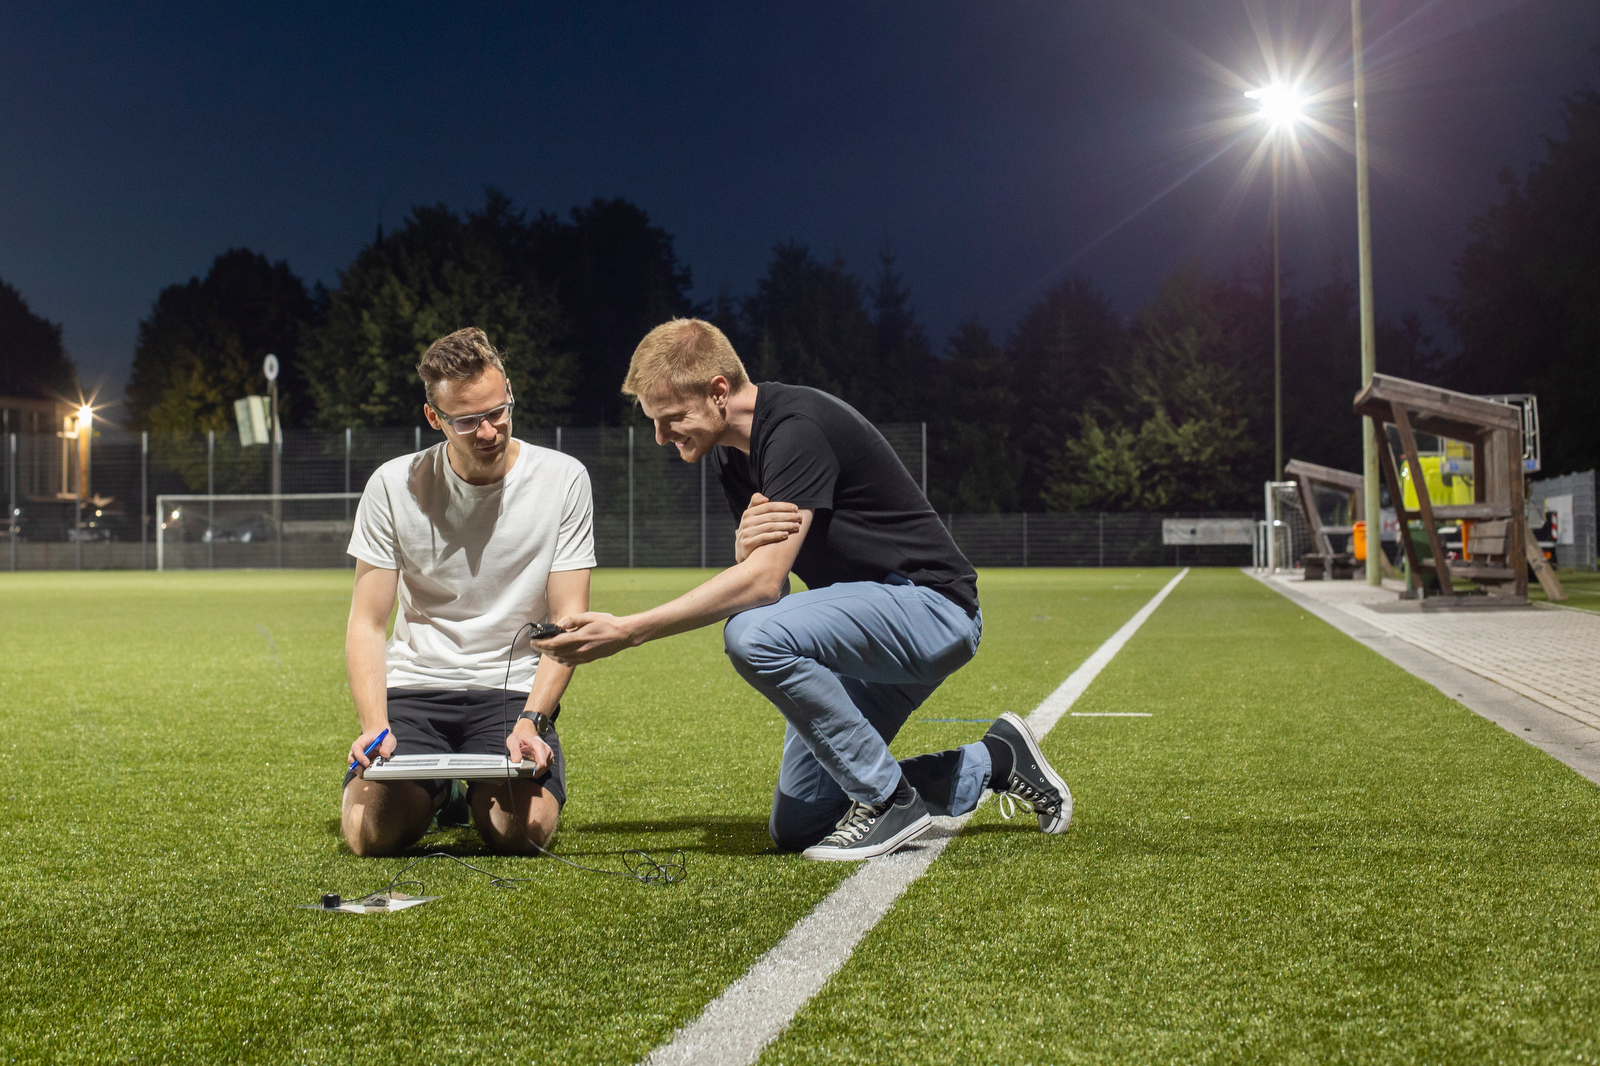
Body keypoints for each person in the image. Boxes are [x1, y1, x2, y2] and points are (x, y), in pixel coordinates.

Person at [537, 318, 1069, 861]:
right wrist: (746, 552)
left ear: (718, 391)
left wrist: (629, 630)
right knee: (802, 825)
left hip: (932, 610)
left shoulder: (795, 428)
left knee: (750, 635)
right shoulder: (729, 453)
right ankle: (995, 760)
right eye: (654, 421)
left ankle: (889, 802)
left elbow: (764, 584)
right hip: (863, 628)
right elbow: (772, 582)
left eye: (671, 418)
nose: (660, 436)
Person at [340, 327, 596, 858]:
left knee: (520, 832)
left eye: (499, 411)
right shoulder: (393, 484)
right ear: (434, 418)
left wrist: (533, 721)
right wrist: (375, 725)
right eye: (466, 420)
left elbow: (568, 620)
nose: (488, 431)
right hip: (416, 687)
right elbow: (367, 622)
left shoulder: (564, 479)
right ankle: (438, 792)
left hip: (511, 692)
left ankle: (462, 788)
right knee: (371, 833)